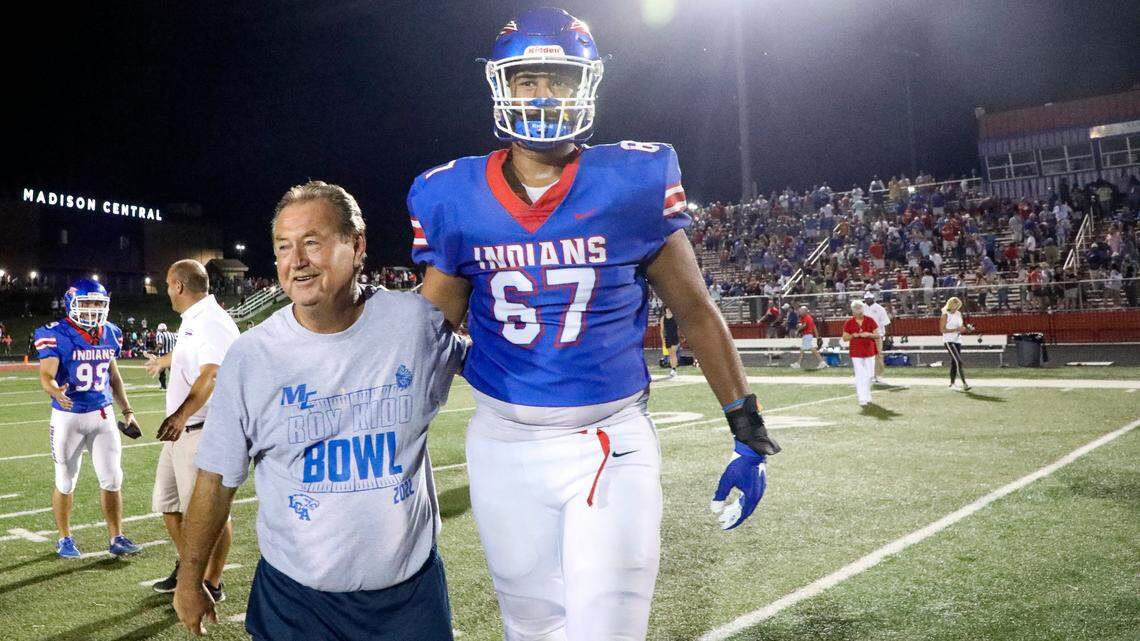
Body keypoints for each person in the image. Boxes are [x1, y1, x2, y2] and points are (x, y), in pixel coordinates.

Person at [409, 8, 780, 639]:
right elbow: (428, 331)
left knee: (607, 629)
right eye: (529, 80)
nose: (544, 94)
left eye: (558, 78)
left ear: (586, 85)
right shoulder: (451, 193)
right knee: (529, 628)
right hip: (501, 440)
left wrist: (747, 429)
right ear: (503, 85)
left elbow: (693, 310)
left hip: (609, 440)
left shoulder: (633, 178)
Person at [173, 182, 466, 640]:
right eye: (284, 247)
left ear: (357, 245)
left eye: (313, 241)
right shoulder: (252, 356)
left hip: (407, 599)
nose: (297, 260)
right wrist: (190, 581)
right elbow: (215, 478)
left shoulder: (413, 325)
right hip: (296, 602)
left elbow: (482, 329)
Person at [144, 260, 239, 601]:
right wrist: (164, 362)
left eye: (169, 285)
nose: (167, 290)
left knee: (209, 512)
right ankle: (189, 567)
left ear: (179, 286)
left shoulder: (211, 321)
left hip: (201, 429)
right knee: (168, 504)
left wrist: (181, 415)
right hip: (181, 433)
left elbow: (211, 373)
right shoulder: (194, 320)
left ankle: (211, 583)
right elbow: (190, 355)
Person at [34, 279, 143, 558]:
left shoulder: (110, 333)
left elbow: (114, 376)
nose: (94, 309)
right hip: (68, 416)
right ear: (72, 304)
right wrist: (54, 391)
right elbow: (46, 374)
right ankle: (65, 538)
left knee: (112, 478)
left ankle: (116, 537)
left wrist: (128, 411)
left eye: (98, 303)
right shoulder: (56, 333)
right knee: (65, 481)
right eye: (87, 303)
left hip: (102, 415)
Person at [841, 300, 879, 407]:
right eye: (856, 308)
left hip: (869, 351)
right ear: (853, 311)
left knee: (869, 375)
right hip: (856, 353)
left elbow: (877, 335)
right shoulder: (849, 323)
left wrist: (868, 334)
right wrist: (853, 335)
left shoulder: (870, 320)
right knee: (860, 375)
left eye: (860, 308)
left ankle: (866, 394)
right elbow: (844, 338)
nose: (859, 310)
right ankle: (862, 397)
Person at [939, 296, 973, 391]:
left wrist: (967, 329)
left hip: (957, 340)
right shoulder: (945, 315)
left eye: (957, 304)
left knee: (954, 363)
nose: (955, 306)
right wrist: (956, 330)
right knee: (958, 361)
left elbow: (961, 327)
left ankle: (952, 383)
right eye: (954, 304)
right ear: (950, 304)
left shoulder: (958, 313)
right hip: (949, 341)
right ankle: (964, 383)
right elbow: (942, 330)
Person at [862, 292, 891, 383]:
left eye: (869, 298)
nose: (868, 300)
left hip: (877, 335)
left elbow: (886, 323)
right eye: (867, 298)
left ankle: (878, 375)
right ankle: (869, 375)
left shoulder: (880, 309)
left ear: (873, 298)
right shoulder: (862, 308)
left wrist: (886, 337)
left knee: (878, 356)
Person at [792, 305, 827, 370]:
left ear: (805, 311)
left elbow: (804, 325)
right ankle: (798, 363)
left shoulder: (806, 317)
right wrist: (817, 337)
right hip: (808, 335)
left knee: (811, 349)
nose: (800, 312)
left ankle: (822, 362)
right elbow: (814, 328)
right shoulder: (808, 318)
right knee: (803, 349)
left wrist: (797, 330)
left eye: (801, 311)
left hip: (807, 335)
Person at [151, 322, 176, 389]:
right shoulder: (172, 334)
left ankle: (163, 386)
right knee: (173, 371)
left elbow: (160, 344)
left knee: (161, 371)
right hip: (172, 354)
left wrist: (155, 351)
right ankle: (176, 385)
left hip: (164, 354)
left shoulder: (160, 334)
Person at [659, 307, 681, 378]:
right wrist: (663, 340)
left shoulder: (675, 317)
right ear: (665, 309)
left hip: (675, 337)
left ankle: (674, 369)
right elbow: (662, 330)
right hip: (667, 338)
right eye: (667, 308)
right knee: (670, 355)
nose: (668, 309)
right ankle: (673, 369)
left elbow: (679, 327)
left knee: (673, 353)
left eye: (669, 308)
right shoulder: (663, 319)